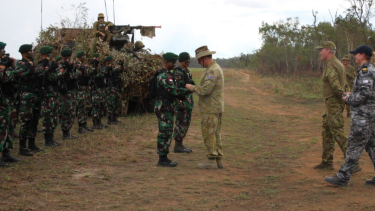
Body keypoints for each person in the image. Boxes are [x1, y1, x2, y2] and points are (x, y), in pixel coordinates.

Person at [325, 45, 375, 187]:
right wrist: (352, 94)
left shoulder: (366, 71)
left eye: (356, 54)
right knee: (372, 146)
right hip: (369, 116)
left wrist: (349, 99)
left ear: (362, 55)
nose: (354, 56)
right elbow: (367, 92)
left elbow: (365, 94)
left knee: (354, 146)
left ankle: (343, 177)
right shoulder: (367, 70)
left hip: (363, 117)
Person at [313, 41, 351, 171]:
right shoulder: (339, 64)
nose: (320, 52)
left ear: (328, 50)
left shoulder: (331, 65)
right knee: (327, 130)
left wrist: (345, 97)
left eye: (321, 50)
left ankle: (353, 162)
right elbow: (345, 84)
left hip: (334, 103)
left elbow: (336, 85)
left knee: (337, 132)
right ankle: (327, 161)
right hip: (333, 103)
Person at [185, 46, 224, 169]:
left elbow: (205, 90)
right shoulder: (214, 69)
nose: (198, 63)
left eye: (199, 60)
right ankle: (218, 160)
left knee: (209, 133)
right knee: (215, 133)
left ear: (205, 58)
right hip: (214, 107)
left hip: (210, 108)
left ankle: (211, 160)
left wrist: (191, 88)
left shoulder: (212, 71)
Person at [155, 52, 188, 167]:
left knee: (167, 131)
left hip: (166, 106)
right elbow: (173, 90)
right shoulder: (164, 76)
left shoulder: (167, 74)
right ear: (166, 62)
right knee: (165, 132)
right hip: (164, 107)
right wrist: (188, 90)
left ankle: (164, 157)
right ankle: (162, 159)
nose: (174, 65)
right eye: (173, 63)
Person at [16, 44, 44, 156]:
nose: (31, 52)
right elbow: (21, 76)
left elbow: (39, 74)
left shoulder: (32, 62)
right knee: (26, 121)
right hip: (26, 94)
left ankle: (32, 144)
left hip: (35, 93)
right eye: (29, 50)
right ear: (24, 52)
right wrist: (32, 70)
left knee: (34, 120)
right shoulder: (20, 63)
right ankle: (22, 147)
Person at [0, 42, 21, 165]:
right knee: (1, 128)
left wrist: (11, 67)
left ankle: (6, 152)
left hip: (7, 99)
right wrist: (3, 66)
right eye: (2, 50)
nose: (3, 53)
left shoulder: (5, 65)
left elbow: (9, 78)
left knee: (9, 127)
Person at [37, 46, 61, 147]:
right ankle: (47, 139)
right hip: (46, 94)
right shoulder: (40, 66)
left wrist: (54, 70)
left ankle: (51, 137)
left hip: (54, 93)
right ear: (44, 55)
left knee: (54, 117)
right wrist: (46, 68)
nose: (50, 56)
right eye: (48, 54)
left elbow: (56, 77)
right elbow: (40, 75)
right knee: (47, 117)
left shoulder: (52, 65)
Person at [172, 52, 194, 153]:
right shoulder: (178, 72)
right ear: (181, 61)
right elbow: (176, 89)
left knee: (186, 123)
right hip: (181, 102)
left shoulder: (187, 71)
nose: (188, 63)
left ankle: (180, 144)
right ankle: (178, 145)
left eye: (189, 61)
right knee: (180, 123)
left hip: (188, 102)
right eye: (186, 61)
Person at [59, 49, 79, 140]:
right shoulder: (61, 65)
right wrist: (67, 68)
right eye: (68, 57)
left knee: (72, 112)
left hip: (72, 91)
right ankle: (65, 132)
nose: (70, 59)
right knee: (66, 112)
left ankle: (68, 131)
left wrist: (72, 68)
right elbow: (61, 76)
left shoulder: (70, 65)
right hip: (65, 92)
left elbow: (74, 76)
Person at [75, 51, 94, 133]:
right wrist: (84, 69)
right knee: (81, 107)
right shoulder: (77, 65)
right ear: (79, 57)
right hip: (81, 88)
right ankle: (81, 126)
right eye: (83, 55)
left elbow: (90, 72)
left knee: (86, 107)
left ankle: (84, 124)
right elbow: (78, 74)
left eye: (85, 55)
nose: (84, 57)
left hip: (86, 88)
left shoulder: (85, 65)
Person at [103, 56, 123, 125]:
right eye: (111, 61)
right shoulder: (105, 68)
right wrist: (109, 67)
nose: (112, 62)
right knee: (110, 104)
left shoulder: (113, 68)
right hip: (110, 88)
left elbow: (119, 70)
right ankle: (110, 119)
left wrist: (121, 63)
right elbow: (105, 73)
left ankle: (114, 117)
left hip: (115, 87)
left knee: (116, 103)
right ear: (107, 62)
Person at [90, 53, 106, 129]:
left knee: (101, 106)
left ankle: (99, 121)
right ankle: (95, 123)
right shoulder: (92, 67)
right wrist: (93, 63)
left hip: (101, 88)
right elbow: (95, 75)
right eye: (97, 58)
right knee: (96, 106)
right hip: (96, 89)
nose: (99, 59)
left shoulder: (99, 67)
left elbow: (103, 73)